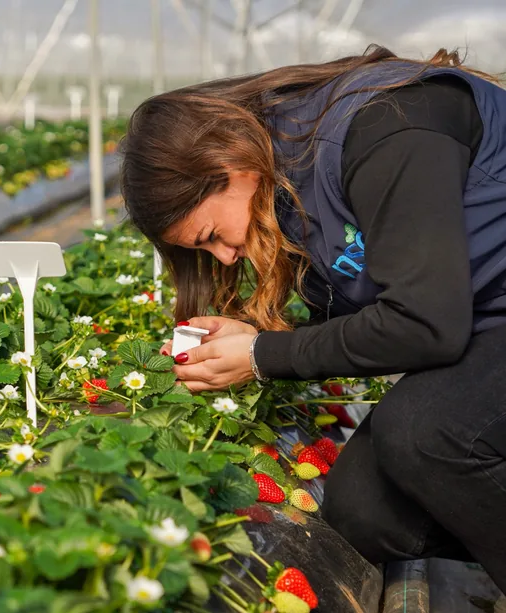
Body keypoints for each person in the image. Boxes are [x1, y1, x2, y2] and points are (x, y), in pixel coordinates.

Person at [118, 45, 506, 592]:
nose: (225, 258)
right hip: (482, 320)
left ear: (230, 164)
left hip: (467, 321)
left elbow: (424, 324)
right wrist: (262, 338)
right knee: (365, 514)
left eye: (209, 237)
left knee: (427, 433)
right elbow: (390, 309)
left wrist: (261, 358)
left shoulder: (385, 129)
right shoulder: (291, 187)